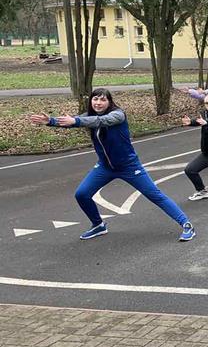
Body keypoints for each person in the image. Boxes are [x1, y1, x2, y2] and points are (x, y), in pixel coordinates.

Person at [28, 88, 195, 242]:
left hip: (129, 167)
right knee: (82, 194)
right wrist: (50, 121)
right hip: (105, 167)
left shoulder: (118, 115)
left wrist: (77, 120)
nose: (98, 103)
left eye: (103, 100)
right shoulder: (89, 116)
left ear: (109, 102)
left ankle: (186, 224)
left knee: (155, 195)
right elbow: (73, 121)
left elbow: (100, 121)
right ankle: (98, 225)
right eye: (95, 99)